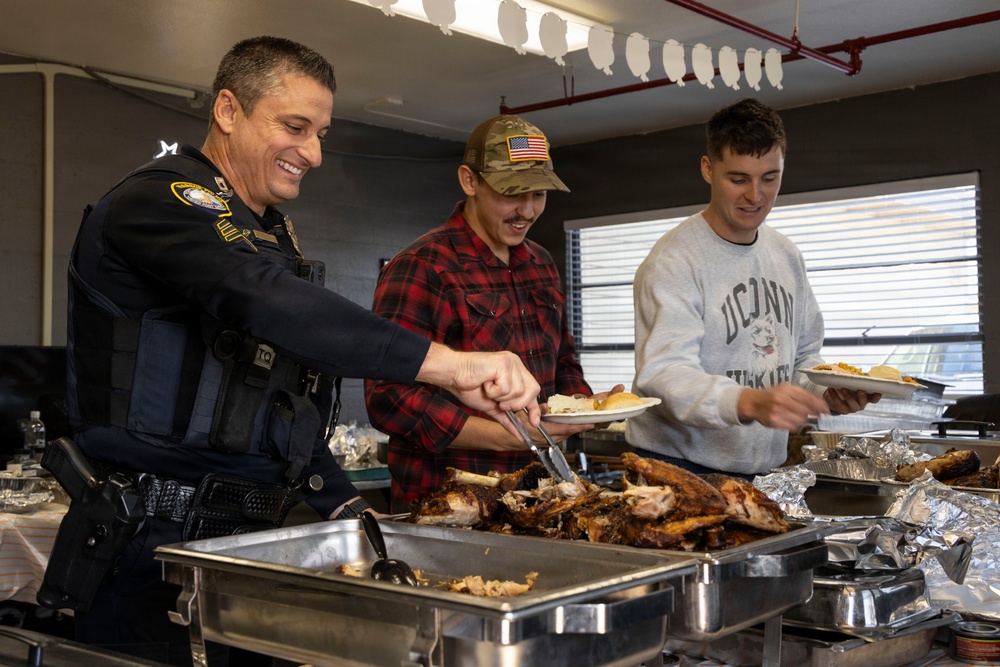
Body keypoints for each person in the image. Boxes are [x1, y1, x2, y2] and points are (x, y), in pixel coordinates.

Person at [55, 37, 542, 667]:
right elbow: (263, 301)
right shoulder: (159, 200)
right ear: (228, 111)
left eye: (321, 132)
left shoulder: (268, 231)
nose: (313, 153)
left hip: (257, 540)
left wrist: (350, 510)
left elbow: (287, 394)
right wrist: (453, 366)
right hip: (153, 544)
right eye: (294, 127)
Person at [365, 114, 615, 512]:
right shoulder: (422, 266)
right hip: (446, 505)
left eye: (538, 195)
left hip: (538, 500)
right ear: (470, 181)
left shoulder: (541, 263)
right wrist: (504, 435)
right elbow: (388, 397)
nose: (527, 211)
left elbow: (564, 360)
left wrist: (580, 408)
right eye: (512, 193)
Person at [627, 98, 878, 477]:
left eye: (769, 178)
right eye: (739, 179)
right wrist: (748, 402)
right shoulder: (675, 260)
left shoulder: (786, 255)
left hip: (761, 472)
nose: (756, 196)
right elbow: (664, 376)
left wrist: (825, 393)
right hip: (677, 467)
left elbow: (802, 358)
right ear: (708, 169)